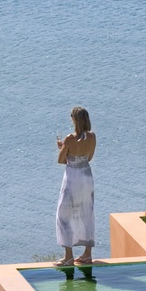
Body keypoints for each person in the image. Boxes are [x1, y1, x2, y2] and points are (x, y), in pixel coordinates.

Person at [55, 106, 96, 265]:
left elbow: (60, 160)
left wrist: (63, 148)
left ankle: (68, 256)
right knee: (86, 212)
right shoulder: (92, 137)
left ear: (75, 120)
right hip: (86, 177)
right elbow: (89, 157)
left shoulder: (69, 139)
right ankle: (87, 254)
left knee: (64, 215)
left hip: (72, 177)